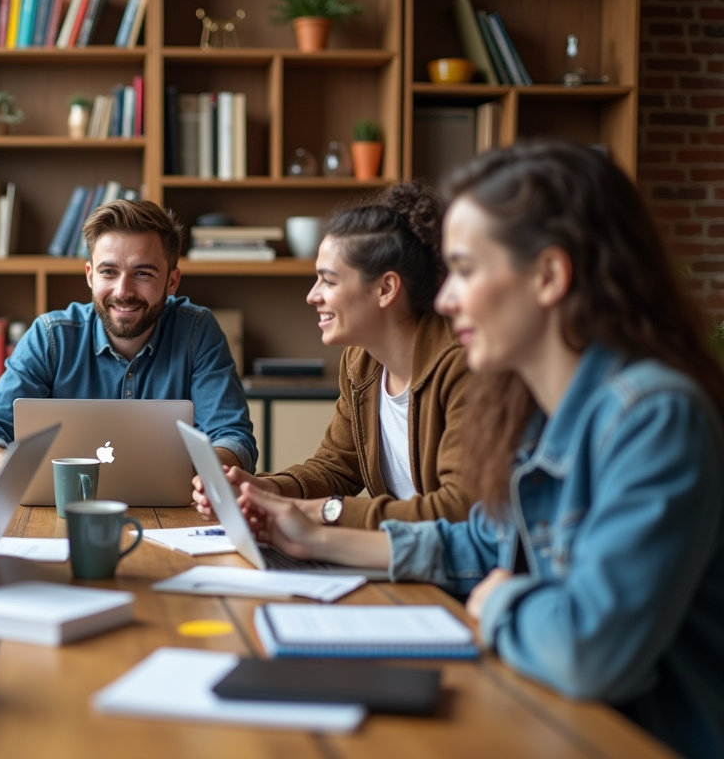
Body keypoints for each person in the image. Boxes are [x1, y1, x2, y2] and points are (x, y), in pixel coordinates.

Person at [239, 142, 724, 759]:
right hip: (552, 717)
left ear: (548, 277)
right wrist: (312, 539)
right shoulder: (537, 411)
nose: (444, 299)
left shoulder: (652, 418)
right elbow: (479, 543)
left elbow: (589, 649)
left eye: (465, 270)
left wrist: (503, 601)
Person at [193, 183, 472, 529]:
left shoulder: (462, 365)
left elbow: (457, 509)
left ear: (385, 288)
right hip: (397, 553)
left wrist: (324, 513)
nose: (312, 296)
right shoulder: (361, 363)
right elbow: (335, 468)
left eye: (328, 281)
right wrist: (264, 489)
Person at [0, 199, 256, 483]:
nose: (123, 291)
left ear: (172, 281)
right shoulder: (49, 336)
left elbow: (234, 439)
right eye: (109, 272)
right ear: (90, 275)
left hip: (173, 511)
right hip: (61, 507)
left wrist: (187, 478)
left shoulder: (197, 332)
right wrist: (26, 479)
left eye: (143, 273)